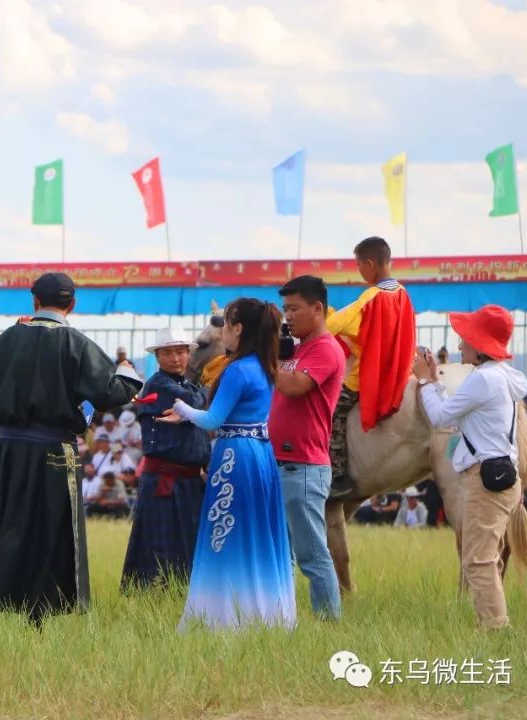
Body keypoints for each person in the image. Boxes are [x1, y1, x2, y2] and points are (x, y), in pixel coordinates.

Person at [0, 272, 143, 624]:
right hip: (55, 451)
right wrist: (127, 373)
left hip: (6, 450)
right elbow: (110, 393)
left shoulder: (8, 340)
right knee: (52, 532)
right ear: (71, 305)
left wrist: (0, 431)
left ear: (34, 301)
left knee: (2, 525)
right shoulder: (77, 344)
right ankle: (47, 611)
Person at [159, 298, 296, 630]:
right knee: (257, 530)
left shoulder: (236, 370)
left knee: (226, 533)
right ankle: (265, 611)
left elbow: (212, 420)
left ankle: (223, 614)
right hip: (259, 453)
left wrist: (181, 407)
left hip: (234, 456)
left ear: (238, 329)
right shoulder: (264, 366)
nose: (222, 333)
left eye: (226, 325)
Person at [414, 304, 527, 629]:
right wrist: (434, 379)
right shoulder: (503, 376)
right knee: (489, 559)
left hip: (484, 482)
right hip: (502, 478)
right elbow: (457, 407)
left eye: (466, 338)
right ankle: (492, 623)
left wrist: (425, 382)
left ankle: (495, 630)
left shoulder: (483, 380)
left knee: (477, 561)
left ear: (480, 347)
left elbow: (440, 416)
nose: (461, 344)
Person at [270, 276, 345, 620]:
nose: (288, 316)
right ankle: (280, 618)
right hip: (282, 462)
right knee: (280, 555)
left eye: (294, 308)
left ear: (318, 308)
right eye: (285, 309)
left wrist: (262, 358)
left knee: (312, 555)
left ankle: (329, 625)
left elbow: (296, 385)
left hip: (302, 465)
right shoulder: (295, 349)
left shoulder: (325, 348)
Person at [326, 237, 417, 498]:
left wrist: (324, 319)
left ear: (370, 263)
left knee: (333, 411)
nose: (359, 271)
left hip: (369, 374)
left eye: (359, 266)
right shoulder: (402, 293)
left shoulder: (372, 296)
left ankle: (337, 476)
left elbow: (332, 326)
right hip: (398, 370)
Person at [121, 327, 210, 590]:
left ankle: (182, 593)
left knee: (187, 542)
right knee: (160, 544)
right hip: (165, 480)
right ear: (158, 356)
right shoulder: (159, 385)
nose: (175, 358)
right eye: (168, 353)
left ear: (188, 354)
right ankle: (153, 594)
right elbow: (193, 400)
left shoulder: (187, 384)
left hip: (189, 481)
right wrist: (210, 388)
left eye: (181, 352)